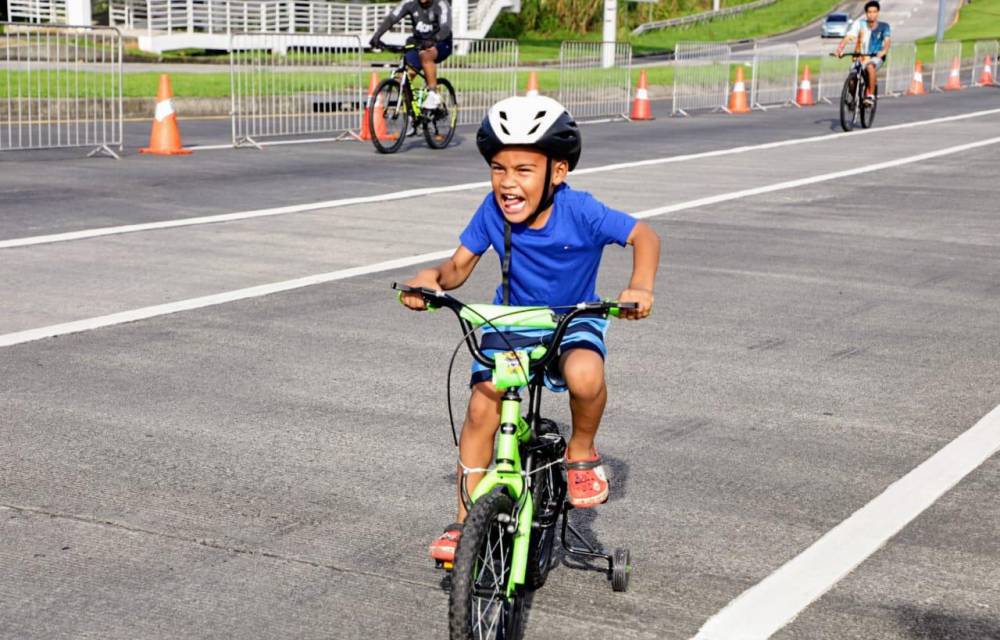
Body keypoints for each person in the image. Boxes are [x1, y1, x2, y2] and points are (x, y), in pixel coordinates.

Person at [398, 95, 661, 564]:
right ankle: (462, 521)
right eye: (498, 168)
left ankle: (581, 451)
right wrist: (430, 279)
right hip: (513, 326)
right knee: (482, 409)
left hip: (570, 321)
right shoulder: (492, 210)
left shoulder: (581, 211)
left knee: (584, 375)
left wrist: (639, 286)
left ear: (557, 172)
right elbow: (458, 266)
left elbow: (644, 235)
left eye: (523, 170)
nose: (507, 183)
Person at [368, 0, 452, 110]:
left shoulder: (441, 4)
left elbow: (445, 27)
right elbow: (392, 18)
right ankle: (412, 112)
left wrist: (434, 40)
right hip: (418, 43)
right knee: (403, 78)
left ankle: (433, 94)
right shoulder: (409, 2)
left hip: (441, 42)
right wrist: (377, 36)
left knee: (425, 55)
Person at [836, 0, 891, 106]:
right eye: (869, 12)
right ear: (866, 13)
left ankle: (869, 95)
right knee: (852, 80)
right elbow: (848, 37)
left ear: (878, 12)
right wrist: (840, 49)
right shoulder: (859, 24)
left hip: (875, 56)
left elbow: (887, 41)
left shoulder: (884, 26)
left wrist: (883, 51)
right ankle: (854, 98)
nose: (872, 14)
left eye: (874, 12)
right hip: (860, 57)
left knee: (870, 67)